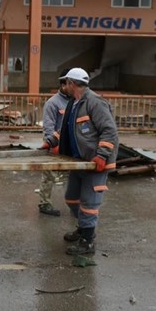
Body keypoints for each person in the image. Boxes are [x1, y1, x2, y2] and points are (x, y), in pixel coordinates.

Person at [41, 67, 118, 255]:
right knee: (71, 198)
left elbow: (109, 131)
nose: (64, 86)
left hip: (95, 163)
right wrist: (50, 141)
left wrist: (101, 156)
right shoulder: (74, 104)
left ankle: (87, 241)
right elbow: (66, 130)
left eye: (66, 82)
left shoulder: (94, 102)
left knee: (89, 204)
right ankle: (83, 228)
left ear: (72, 84)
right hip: (78, 162)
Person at [36, 70, 72, 216]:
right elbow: (48, 128)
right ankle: (44, 203)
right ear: (63, 85)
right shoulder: (53, 103)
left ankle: (74, 202)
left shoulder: (75, 101)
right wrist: (52, 145)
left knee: (72, 175)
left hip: (70, 146)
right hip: (54, 144)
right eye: (70, 84)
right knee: (49, 175)